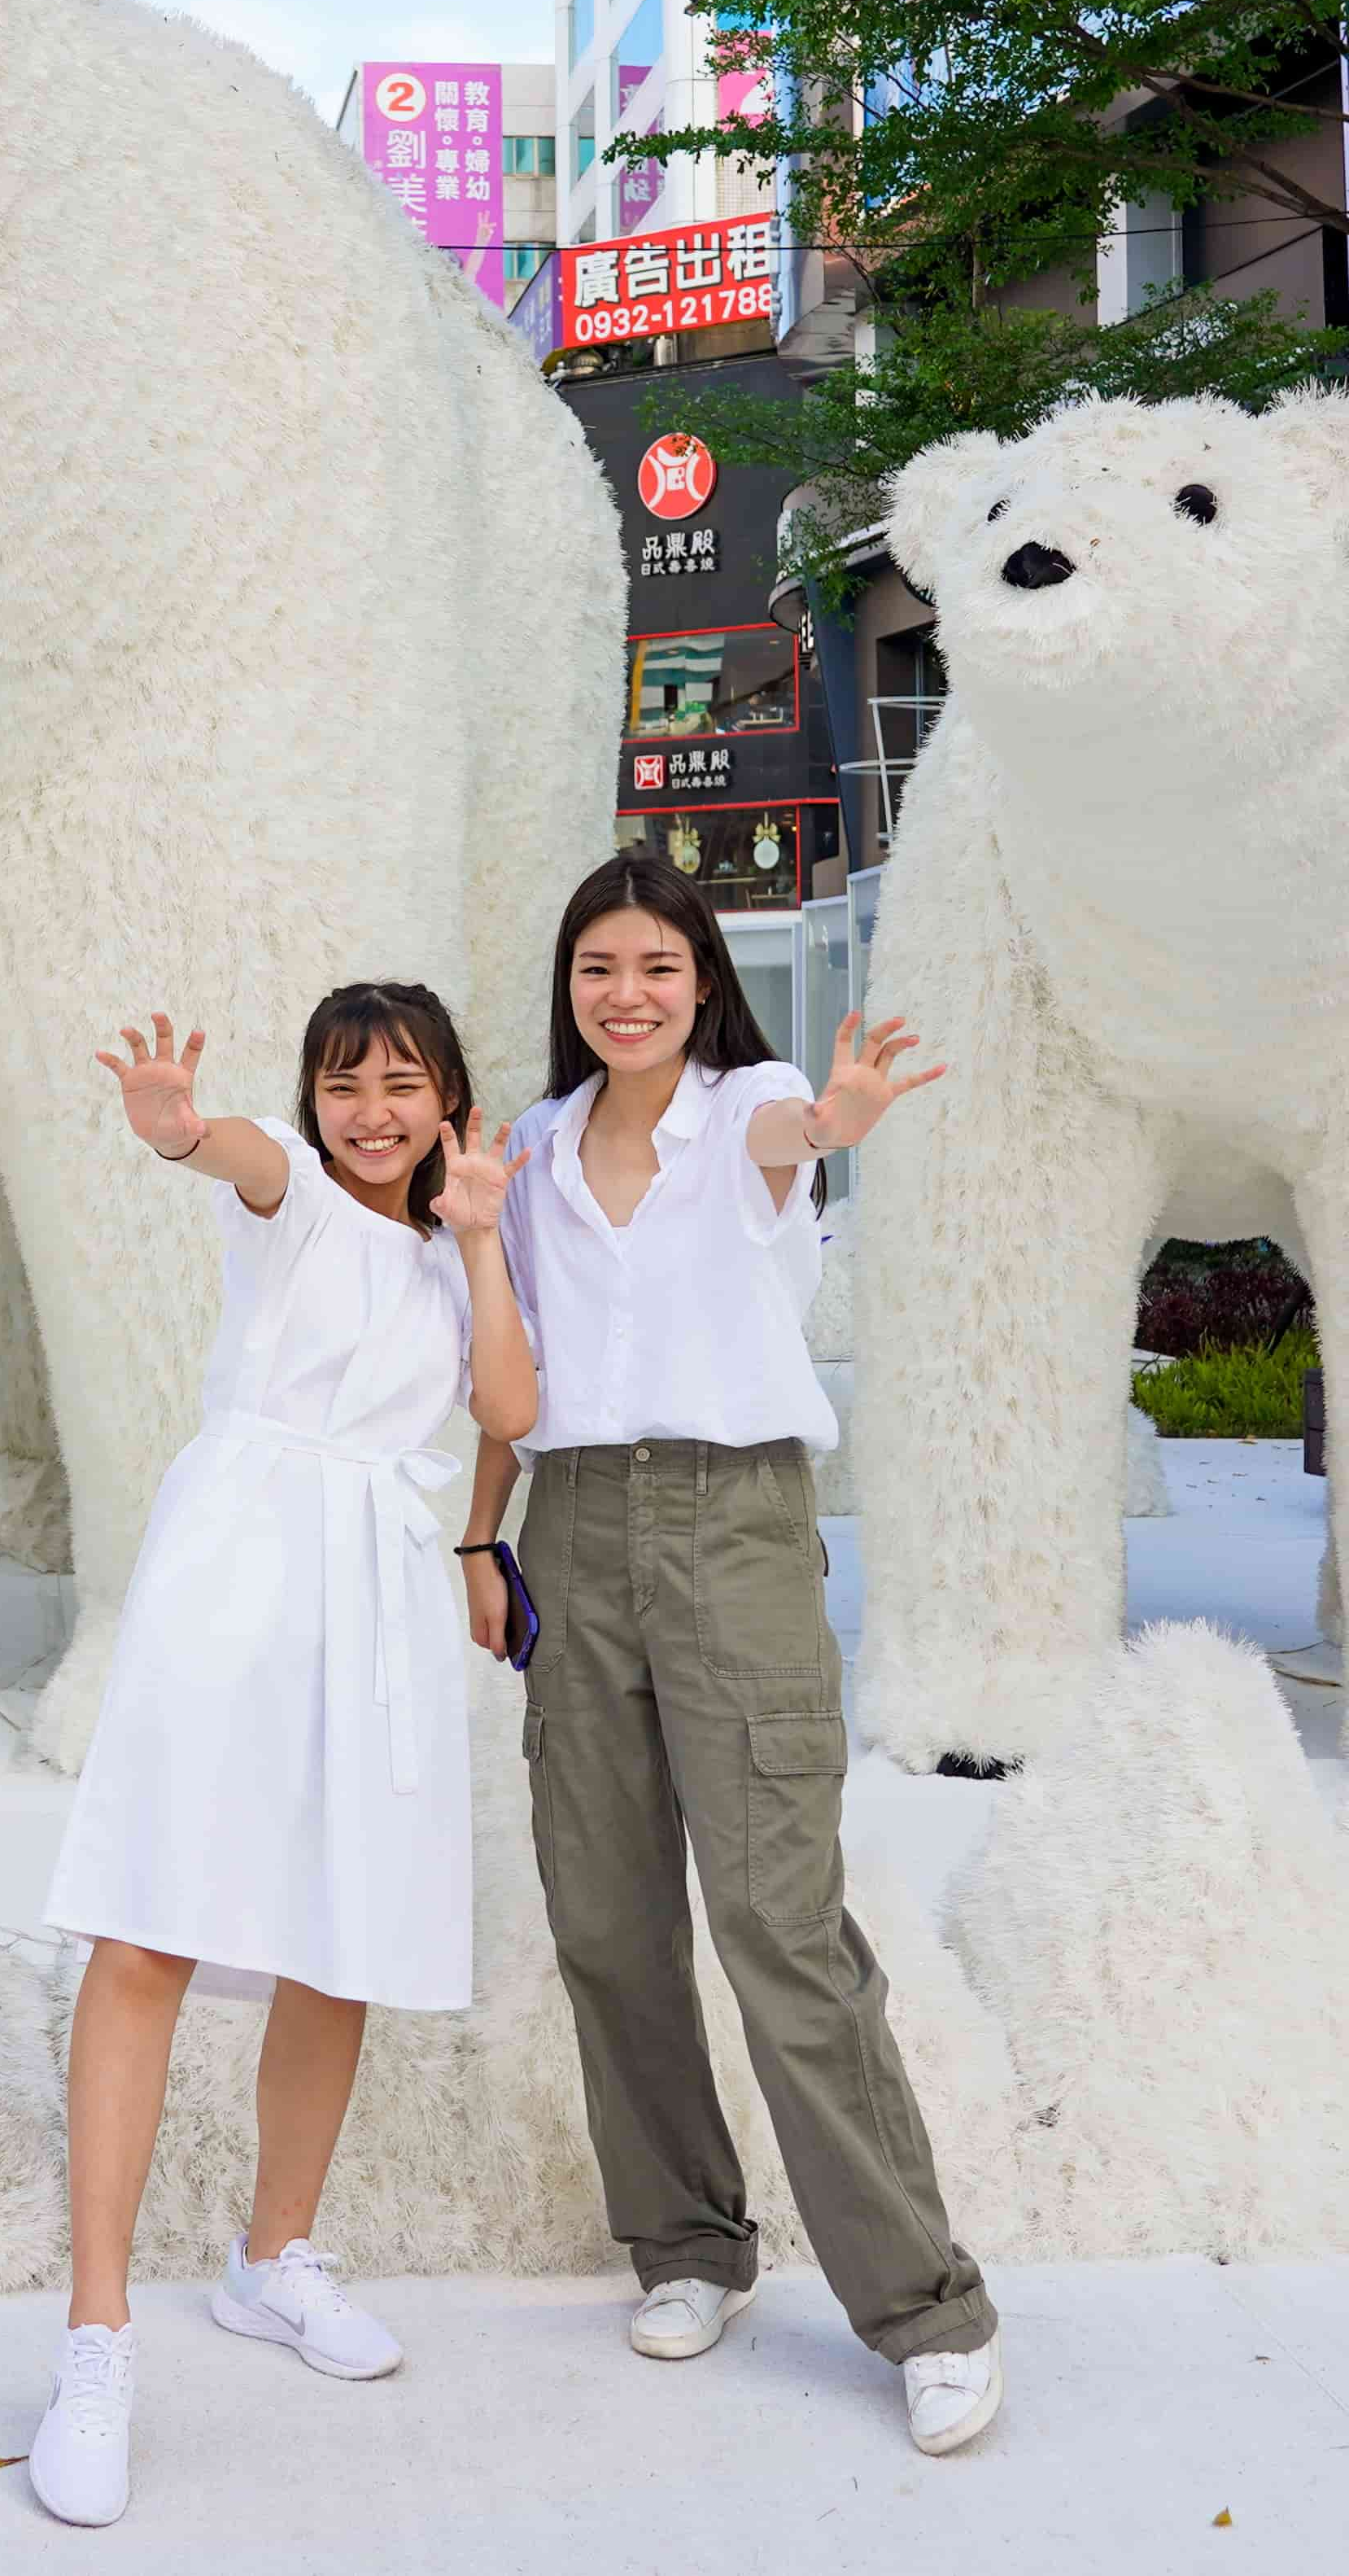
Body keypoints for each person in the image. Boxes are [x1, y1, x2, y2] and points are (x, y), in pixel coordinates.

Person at [480, 848, 1004, 2460]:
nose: (623, 995)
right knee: (605, 1918)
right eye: (595, 970)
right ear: (567, 992)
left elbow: (797, 1138)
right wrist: (475, 1539)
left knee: (776, 1921)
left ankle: (924, 2306)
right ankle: (687, 2245)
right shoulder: (530, 1148)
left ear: (698, 980)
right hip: (568, 1526)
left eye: (652, 967)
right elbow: (504, 1361)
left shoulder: (754, 1107)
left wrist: (834, 1117)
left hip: (731, 1526)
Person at [26, 985, 540, 2532]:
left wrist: (480, 1234)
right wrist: (184, 1129)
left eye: (402, 1083)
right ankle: (95, 2340)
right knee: (150, 1927)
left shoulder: (467, 1247)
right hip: (239, 1572)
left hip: (376, 1597)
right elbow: (236, 1156)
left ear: (450, 1097)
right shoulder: (297, 1200)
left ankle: (273, 2255)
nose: (370, 1111)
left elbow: (509, 1407)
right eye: (343, 1083)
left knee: (341, 1937)